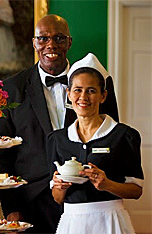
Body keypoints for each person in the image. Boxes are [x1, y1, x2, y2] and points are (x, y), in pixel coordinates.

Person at [0, 14, 119, 233]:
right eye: (43, 38)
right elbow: (1, 157)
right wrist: (11, 207)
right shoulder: (10, 89)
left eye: (59, 38)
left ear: (69, 42)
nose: (51, 44)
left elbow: (111, 138)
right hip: (31, 200)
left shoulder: (96, 83)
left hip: (84, 198)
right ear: (34, 43)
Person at [48, 53, 143, 233]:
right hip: (72, 223)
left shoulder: (124, 136)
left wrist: (107, 184)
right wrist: (60, 187)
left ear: (103, 96)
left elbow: (136, 190)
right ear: (68, 94)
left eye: (91, 90)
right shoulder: (57, 139)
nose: (83, 97)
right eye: (77, 90)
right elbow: (57, 198)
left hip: (110, 222)